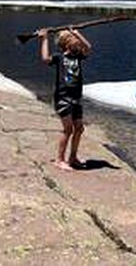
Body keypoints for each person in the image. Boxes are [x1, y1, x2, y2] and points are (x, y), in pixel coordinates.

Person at [38, 27, 92, 171]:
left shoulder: (78, 56)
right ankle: (59, 159)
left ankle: (73, 157)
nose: (79, 44)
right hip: (63, 97)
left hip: (76, 98)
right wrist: (44, 39)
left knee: (79, 129)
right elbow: (45, 59)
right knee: (68, 130)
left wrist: (77, 33)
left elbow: (88, 47)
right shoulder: (59, 57)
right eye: (75, 42)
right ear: (67, 44)